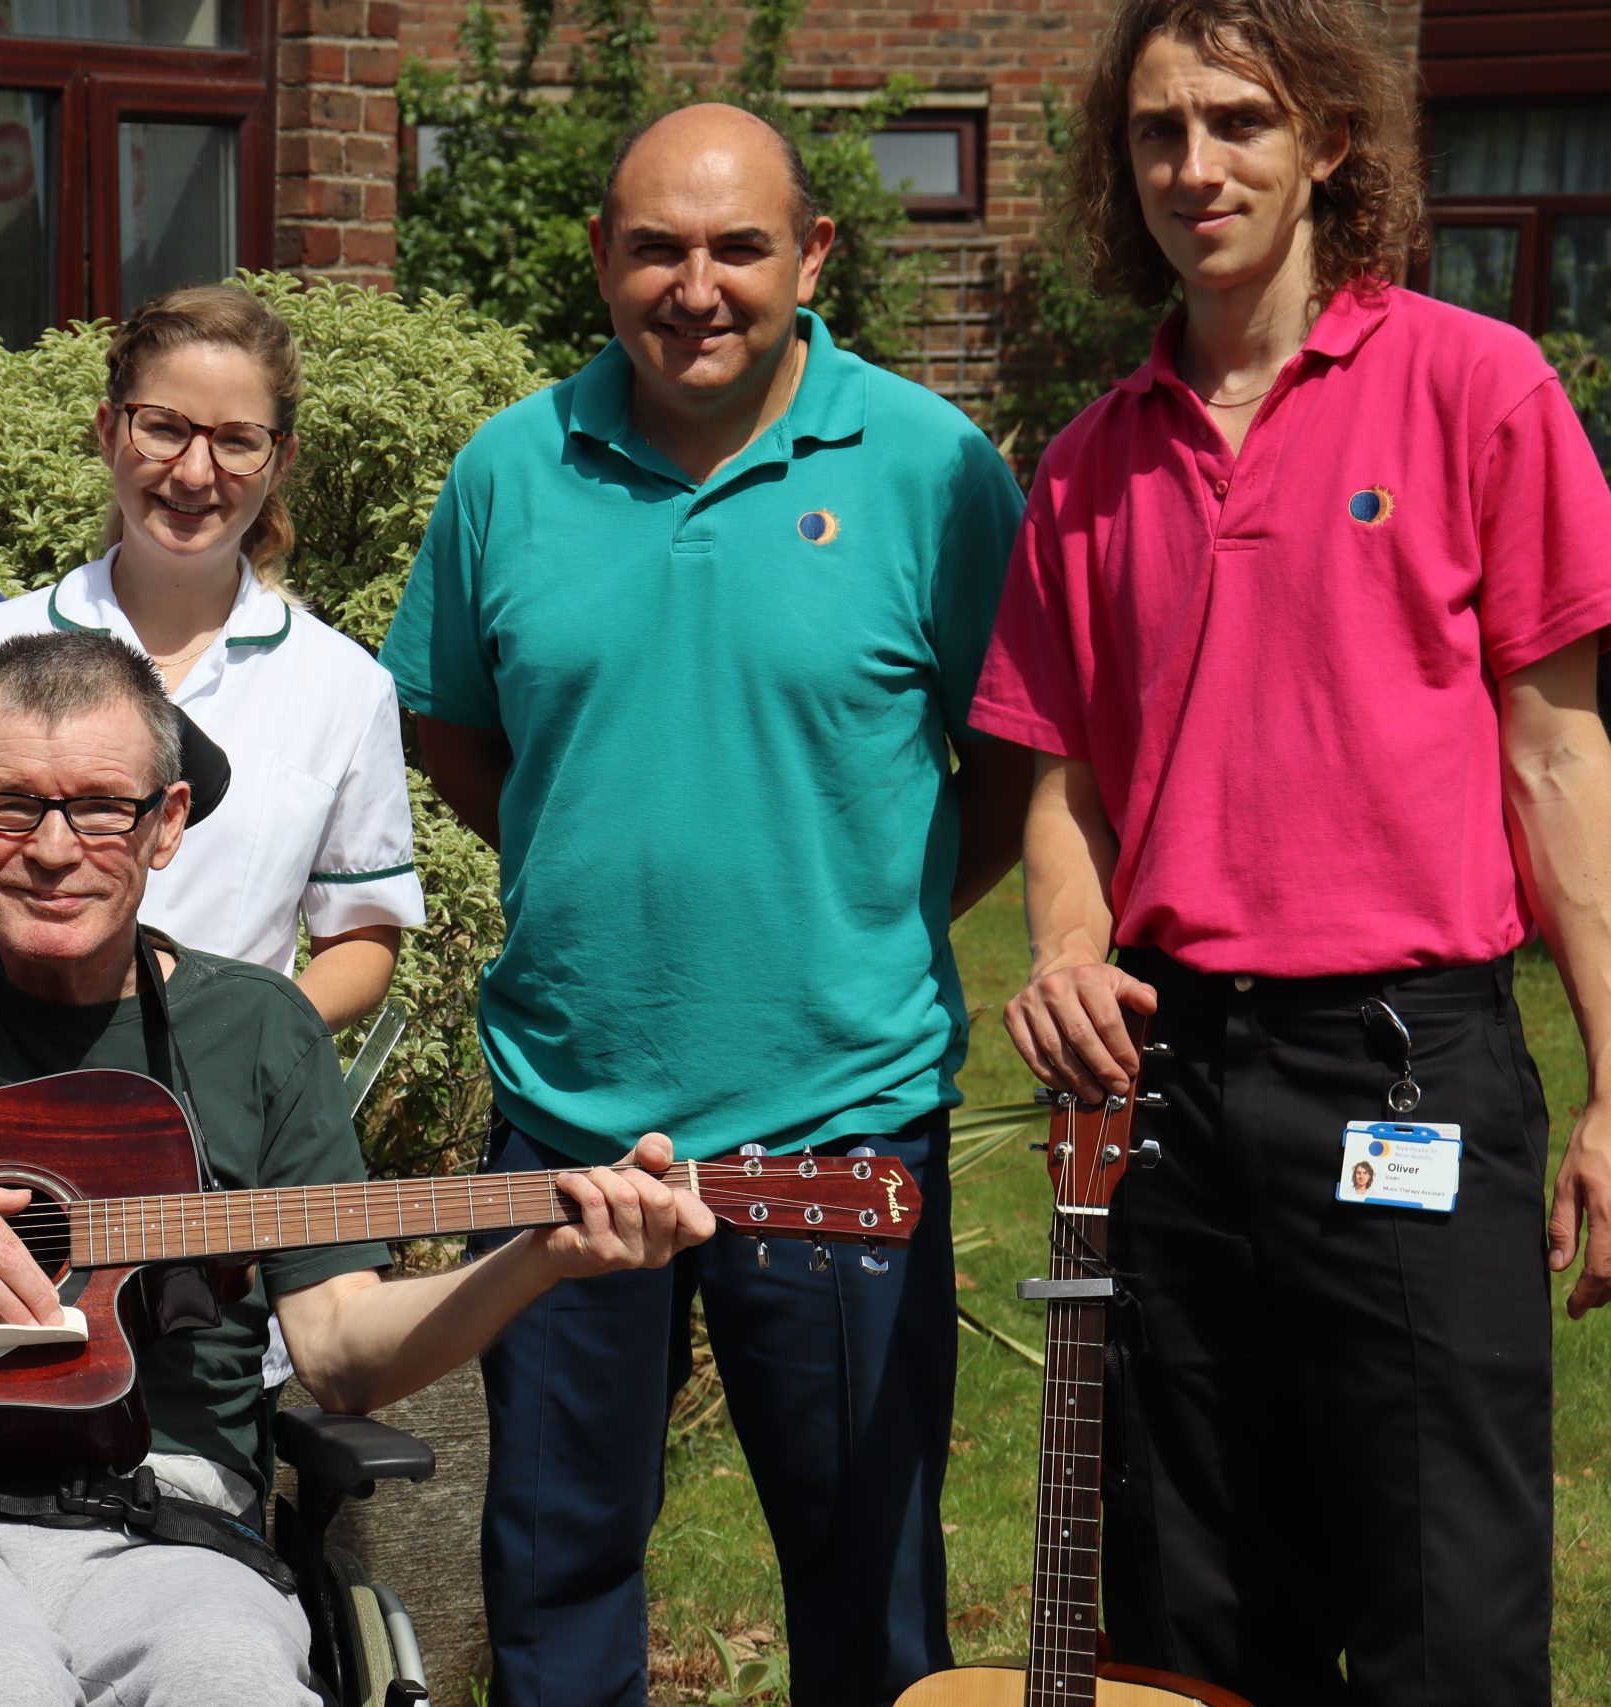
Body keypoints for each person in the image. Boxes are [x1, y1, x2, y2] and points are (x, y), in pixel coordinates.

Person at [0, 629, 710, 1706]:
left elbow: (344, 1353)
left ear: (167, 821)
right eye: (10, 809)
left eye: (101, 809)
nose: (53, 852)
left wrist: (538, 1259)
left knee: (229, 1682)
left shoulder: (256, 1030)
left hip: (171, 1519)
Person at [970, 0, 1611, 1698]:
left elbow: (1558, 752)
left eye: (1239, 122)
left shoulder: (1479, 389)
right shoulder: (1093, 465)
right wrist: (1059, 948)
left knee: (1442, 1595)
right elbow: (1062, 780)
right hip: (1169, 1088)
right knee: (1191, 1596)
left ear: (1325, 138)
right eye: (1160, 131)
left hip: (1408, 1061)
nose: (1199, 167)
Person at [377, 103, 1026, 1707]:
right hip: (570, 1118)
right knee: (555, 1565)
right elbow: (456, 725)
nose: (696, 284)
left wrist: (882, 894)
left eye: (739, 245)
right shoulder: (511, 466)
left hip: (840, 1114)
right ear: (601, 259)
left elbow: (1016, 755)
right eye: (657, 245)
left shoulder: (933, 469)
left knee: (867, 1578)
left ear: (814, 255)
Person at [0, 284, 423, 1032]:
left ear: (281, 459)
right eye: (164, 428)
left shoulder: (343, 687)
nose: (196, 473)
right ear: (109, 431)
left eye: (237, 440)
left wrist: (244, 1044)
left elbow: (360, 936)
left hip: (220, 1120)